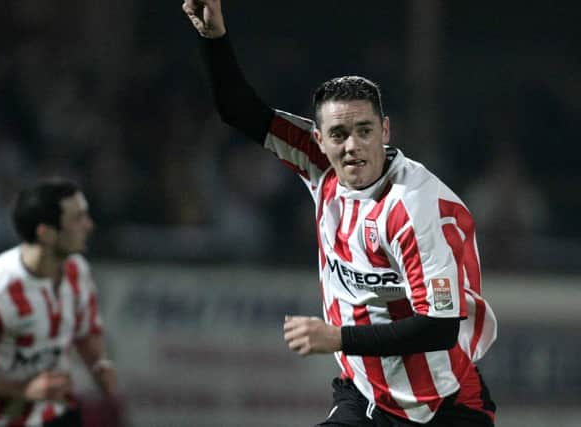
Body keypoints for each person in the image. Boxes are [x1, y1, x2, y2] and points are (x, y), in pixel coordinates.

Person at [182, 1, 498, 426]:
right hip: (365, 399)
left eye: (365, 131)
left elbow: (438, 328)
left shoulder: (417, 207)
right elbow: (239, 112)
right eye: (339, 134)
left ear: (385, 131)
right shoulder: (317, 162)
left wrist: (336, 338)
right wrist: (213, 38)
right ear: (319, 138)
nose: (352, 146)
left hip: (446, 404)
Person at [0, 178, 117, 427]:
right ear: (46, 233)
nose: (89, 225)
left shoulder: (77, 271)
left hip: (53, 414)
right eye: (77, 219)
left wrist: (98, 362)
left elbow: (86, 330)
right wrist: (23, 390)